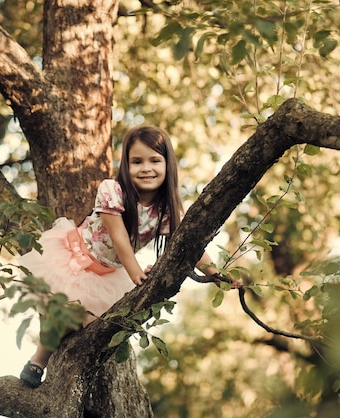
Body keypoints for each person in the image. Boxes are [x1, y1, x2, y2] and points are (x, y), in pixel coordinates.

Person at [18, 125, 220, 387]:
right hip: (74, 260)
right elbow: (119, 237)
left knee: (90, 324)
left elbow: (190, 247)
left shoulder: (166, 211)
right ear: (126, 164)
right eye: (137, 161)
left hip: (108, 272)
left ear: (168, 164)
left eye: (154, 160)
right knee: (65, 315)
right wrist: (136, 272)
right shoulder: (112, 191)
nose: (146, 168)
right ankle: (38, 360)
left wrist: (216, 273)